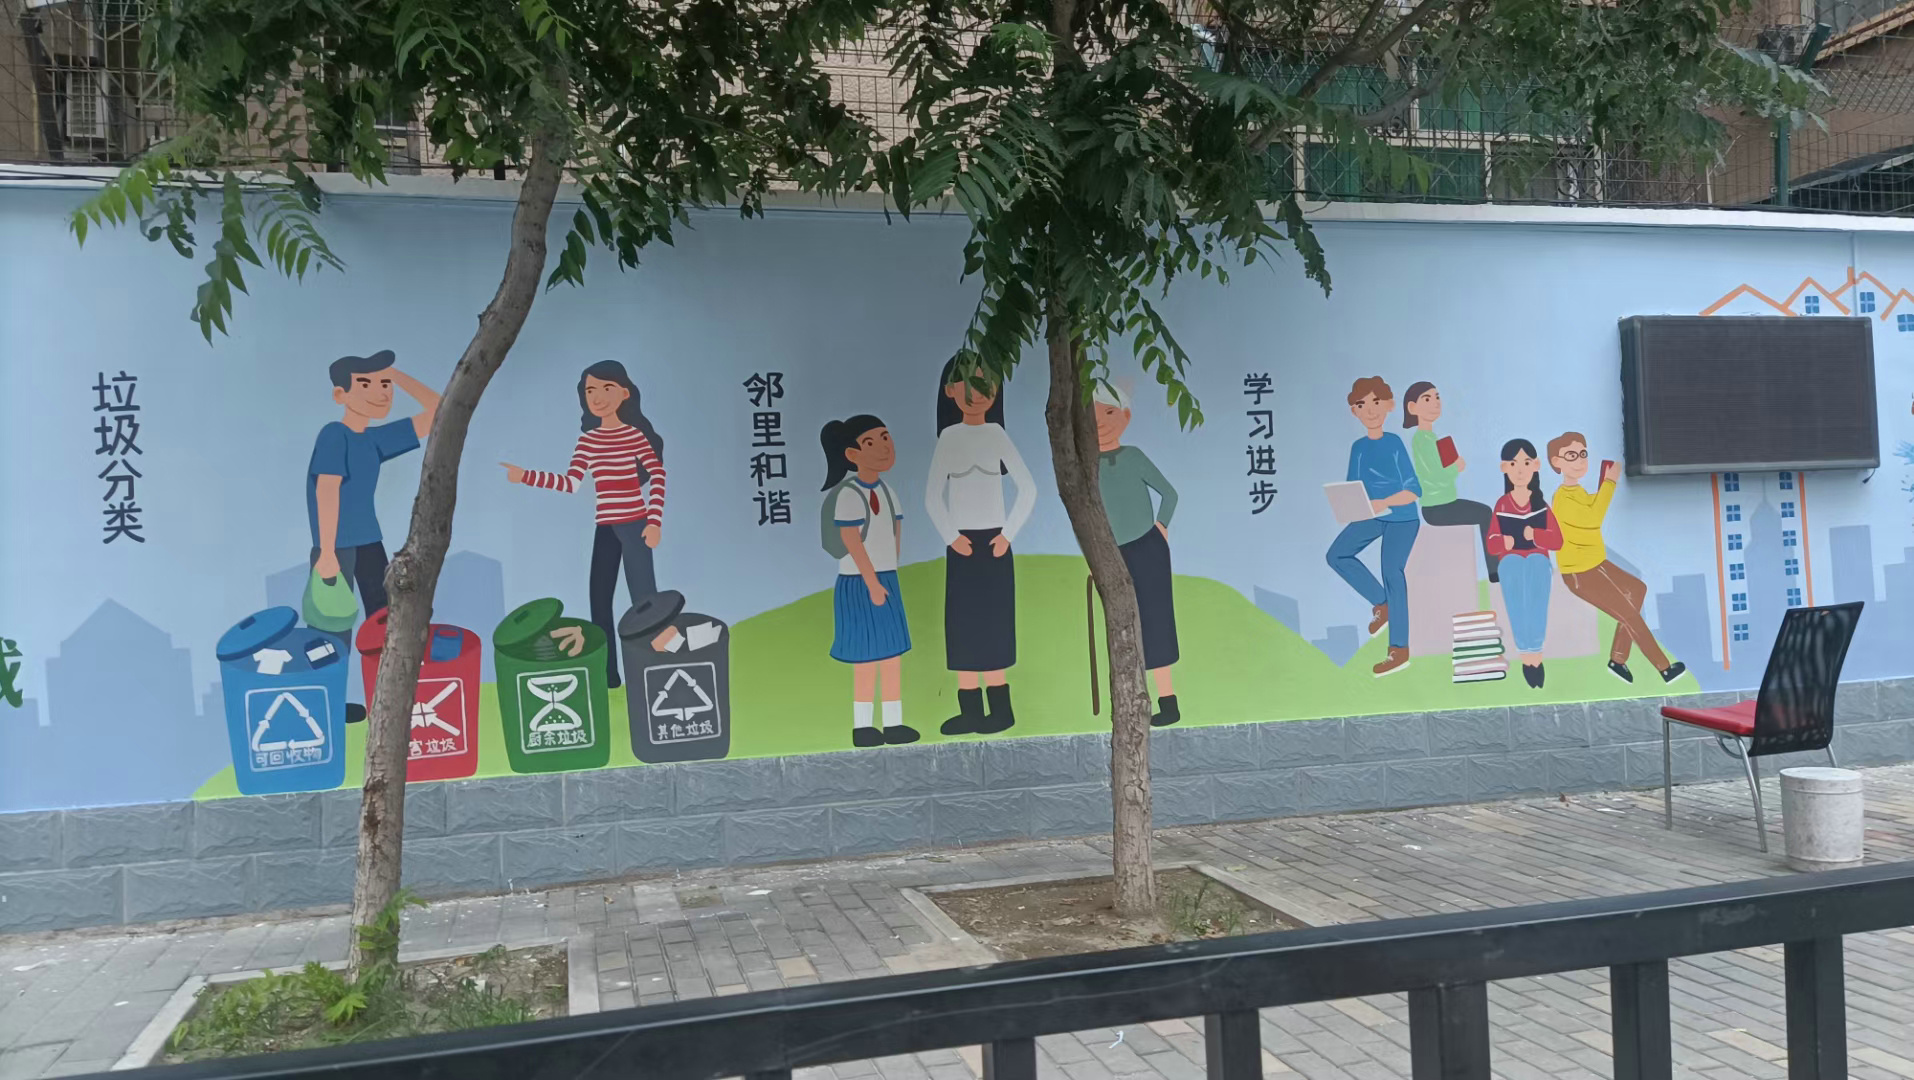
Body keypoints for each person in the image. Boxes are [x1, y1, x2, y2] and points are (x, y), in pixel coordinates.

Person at [501, 360, 679, 689]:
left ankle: (653, 668)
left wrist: (654, 522)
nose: (597, 397)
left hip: (636, 525)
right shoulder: (589, 441)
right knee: (600, 601)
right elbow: (571, 483)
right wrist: (526, 476)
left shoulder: (634, 436)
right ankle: (610, 675)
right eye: (590, 390)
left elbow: (657, 474)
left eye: (606, 388)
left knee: (645, 601)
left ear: (624, 393)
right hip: (606, 529)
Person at [308, 350, 439, 722]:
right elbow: (326, 490)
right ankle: (326, 706)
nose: (380, 392)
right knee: (330, 629)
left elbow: (439, 410)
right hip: (335, 547)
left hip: (369, 543)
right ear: (341, 395)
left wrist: (398, 376)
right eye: (365, 384)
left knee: (385, 621)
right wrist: (327, 552)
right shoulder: (334, 435)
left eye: (384, 385)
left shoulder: (375, 440)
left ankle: (389, 698)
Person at [925, 360, 1037, 736]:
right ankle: (970, 711)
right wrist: (951, 537)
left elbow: (1028, 488)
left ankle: (1001, 710)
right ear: (950, 391)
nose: (977, 392)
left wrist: (1007, 535)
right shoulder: (948, 438)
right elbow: (932, 497)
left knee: (994, 623)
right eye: (966, 383)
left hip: (995, 544)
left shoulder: (996, 435)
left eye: (985, 382)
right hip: (960, 545)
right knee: (963, 625)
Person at [1546, 432, 1688, 684]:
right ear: (1557, 462)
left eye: (1583, 454)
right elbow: (1593, 519)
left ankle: (1618, 660)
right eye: (1571, 456)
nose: (1579, 460)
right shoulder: (1563, 498)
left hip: (1595, 564)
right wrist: (1610, 483)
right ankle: (1664, 668)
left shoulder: (1576, 491)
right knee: (1629, 615)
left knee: (1637, 589)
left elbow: (1592, 505)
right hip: (1580, 573)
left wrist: (1604, 482)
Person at [819, 415, 918, 748]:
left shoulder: (889, 492)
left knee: (891, 657)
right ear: (852, 454)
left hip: (887, 577)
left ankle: (893, 723)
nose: (883, 447)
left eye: (886, 437)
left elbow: (896, 533)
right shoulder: (849, 494)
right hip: (858, 582)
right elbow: (851, 540)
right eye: (871, 442)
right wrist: (872, 582)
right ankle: (863, 727)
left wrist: (889, 570)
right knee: (865, 659)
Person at [1093, 384, 1183, 726]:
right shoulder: (1088, 466)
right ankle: (1133, 700)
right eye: (1092, 417)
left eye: (1109, 413)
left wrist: (1161, 526)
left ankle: (1168, 701)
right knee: (1124, 625)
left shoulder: (1134, 457)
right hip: (1113, 553)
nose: (1101, 423)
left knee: (1157, 621)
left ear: (1126, 417)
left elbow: (1169, 494)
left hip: (1148, 548)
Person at [1326, 376, 1421, 677]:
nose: (1370, 410)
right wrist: (1351, 506)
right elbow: (1353, 487)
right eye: (1361, 404)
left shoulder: (1394, 443)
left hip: (1403, 517)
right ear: (1353, 411)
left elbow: (1413, 489)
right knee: (1336, 555)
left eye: (1376, 402)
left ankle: (1399, 650)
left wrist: (1385, 502)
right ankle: (1382, 603)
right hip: (1372, 516)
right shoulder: (1358, 447)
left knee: (1392, 571)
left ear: (1389, 405)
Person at [1403, 381, 1500, 583]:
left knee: (1484, 512)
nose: (1435, 403)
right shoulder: (1422, 440)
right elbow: (1434, 476)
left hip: (1445, 503)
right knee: (1485, 513)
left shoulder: (1431, 438)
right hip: (1436, 508)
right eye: (1427, 399)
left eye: (1437, 397)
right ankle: (1495, 571)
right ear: (1412, 408)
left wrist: (1453, 465)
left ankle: (1495, 569)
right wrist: (1456, 467)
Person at [1486, 439, 1562, 689]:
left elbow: (1557, 540)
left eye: (1526, 463)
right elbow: (1492, 543)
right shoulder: (1502, 504)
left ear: (1536, 465)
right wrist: (1505, 542)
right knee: (1514, 578)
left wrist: (1535, 535)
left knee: (1537, 574)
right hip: (1511, 559)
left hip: (1537, 557)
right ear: (1504, 468)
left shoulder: (1540, 504)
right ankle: (1526, 656)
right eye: (1513, 464)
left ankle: (1535, 654)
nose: (1520, 470)